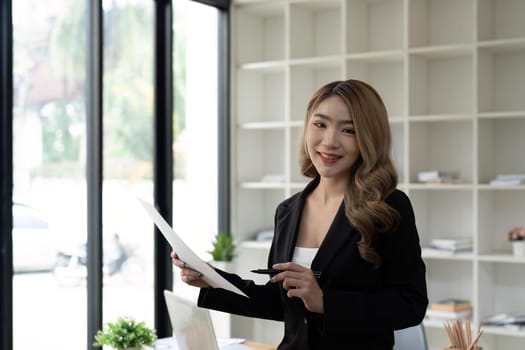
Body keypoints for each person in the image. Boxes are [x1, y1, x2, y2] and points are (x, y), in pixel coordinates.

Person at [171, 79, 428, 349]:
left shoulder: (388, 207)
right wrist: (213, 281)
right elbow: (282, 302)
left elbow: (410, 304)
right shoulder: (288, 211)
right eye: (320, 125)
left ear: (368, 137)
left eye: (348, 130)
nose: (330, 142)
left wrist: (326, 302)